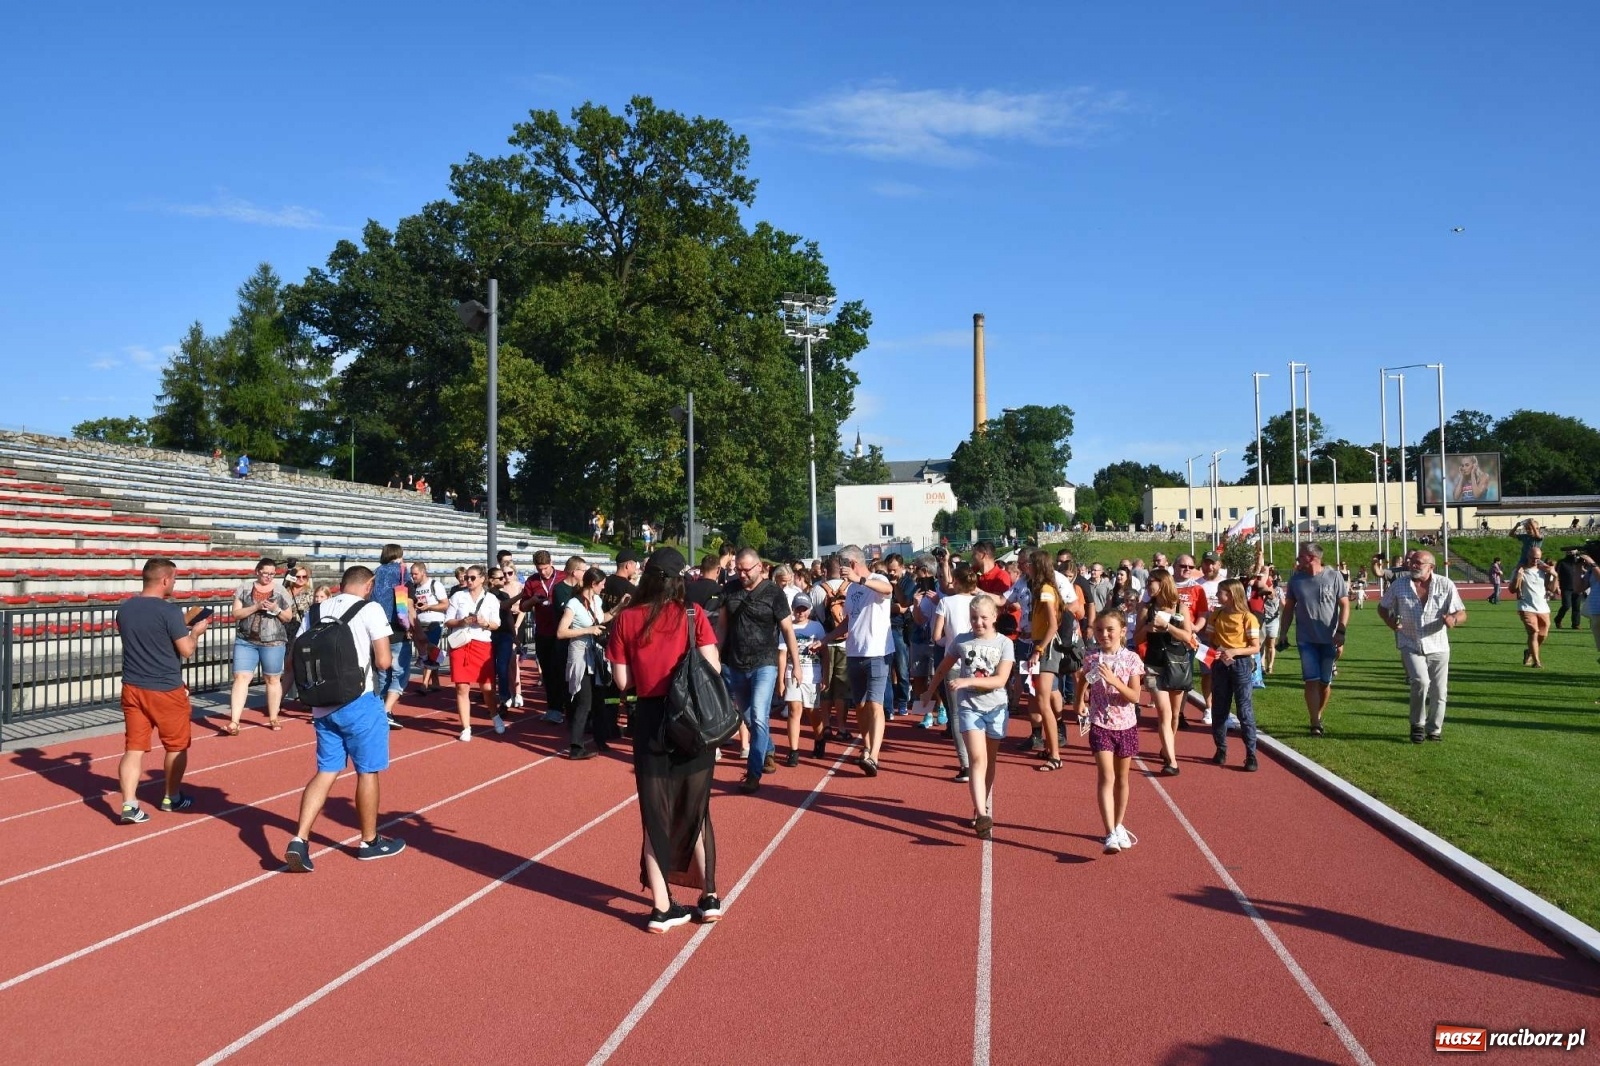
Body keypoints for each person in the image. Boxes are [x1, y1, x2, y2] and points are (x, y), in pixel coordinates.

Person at [605, 547, 722, 933]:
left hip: (650, 719)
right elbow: (713, 667)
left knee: (654, 814)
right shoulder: (693, 614)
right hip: (691, 719)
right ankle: (709, 896)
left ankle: (661, 907)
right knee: (697, 808)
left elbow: (623, 682)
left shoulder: (626, 619)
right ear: (679, 580)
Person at [284, 565, 406, 871]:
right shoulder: (370, 609)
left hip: (322, 705)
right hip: (359, 701)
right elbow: (383, 661)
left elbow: (293, 658)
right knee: (367, 771)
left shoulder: (316, 611)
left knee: (326, 771)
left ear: (341, 584)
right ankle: (369, 842)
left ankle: (299, 839)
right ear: (369, 585)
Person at [114, 559, 213, 823]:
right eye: (175, 579)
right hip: (165, 687)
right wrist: (196, 632)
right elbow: (186, 650)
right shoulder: (169, 611)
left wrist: (180, 624)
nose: (175, 584)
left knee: (134, 748)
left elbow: (149, 636)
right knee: (176, 745)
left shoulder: (124, 609)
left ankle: (129, 804)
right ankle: (172, 796)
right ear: (165, 580)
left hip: (133, 685)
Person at [925, 594, 1015, 839]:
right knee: (977, 759)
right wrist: (929, 691)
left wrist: (967, 681)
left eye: (983, 617)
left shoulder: (1004, 644)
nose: (978, 622)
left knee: (990, 761)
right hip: (969, 707)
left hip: (995, 708)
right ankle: (983, 815)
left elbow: (1000, 680)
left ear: (994, 617)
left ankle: (979, 805)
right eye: (974, 618)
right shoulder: (961, 641)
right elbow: (943, 667)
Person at [722, 548, 803, 793]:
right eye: (738, 569)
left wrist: (796, 664)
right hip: (736, 664)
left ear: (759, 567)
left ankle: (753, 773)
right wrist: (714, 656)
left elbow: (788, 630)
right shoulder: (730, 590)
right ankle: (768, 749)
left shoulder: (774, 593)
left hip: (765, 663)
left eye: (746, 569)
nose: (742, 574)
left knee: (759, 716)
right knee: (747, 718)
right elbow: (722, 627)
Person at [1074, 610, 1145, 854]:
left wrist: (1114, 681)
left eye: (1110, 630)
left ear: (1123, 631)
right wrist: (1079, 700)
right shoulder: (1092, 657)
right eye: (1099, 630)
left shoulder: (1132, 659)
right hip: (1100, 724)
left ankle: (1118, 823)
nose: (1104, 634)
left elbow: (1135, 696)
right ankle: (1110, 832)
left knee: (1122, 779)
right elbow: (1083, 679)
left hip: (1126, 725)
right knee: (1106, 776)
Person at [1378, 549, 1466, 742]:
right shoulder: (1400, 585)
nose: (1413, 565)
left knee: (1439, 691)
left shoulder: (1445, 584)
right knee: (1421, 681)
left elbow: (1461, 612)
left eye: (1418, 562)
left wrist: (1453, 619)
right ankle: (1417, 724)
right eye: (1412, 562)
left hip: (1438, 645)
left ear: (1431, 567)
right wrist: (1390, 622)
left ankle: (1434, 729)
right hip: (1410, 642)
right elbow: (1382, 607)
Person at [827, 545, 894, 776]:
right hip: (855, 652)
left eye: (843, 565)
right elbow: (849, 621)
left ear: (853, 563)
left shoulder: (877, 579)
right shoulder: (852, 588)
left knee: (875, 704)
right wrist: (826, 639)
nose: (841, 570)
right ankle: (866, 748)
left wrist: (861, 579)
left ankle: (874, 755)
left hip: (877, 652)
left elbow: (887, 589)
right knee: (861, 706)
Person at [1278, 543, 1350, 736]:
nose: (1297, 559)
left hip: (1329, 638)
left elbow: (1344, 605)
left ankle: (1317, 714)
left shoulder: (1334, 576)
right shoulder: (1296, 580)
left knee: (1325, 682)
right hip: (1305, 639)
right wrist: (1283, 632)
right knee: (1311, 680)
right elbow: (1288, 609)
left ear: (1311, 557)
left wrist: (1341, 630)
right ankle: (1315, 722)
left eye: (1301, 556)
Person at [1134, 568, 1197, 776]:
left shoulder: (1180, 607)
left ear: (1162, 583)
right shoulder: (1146, 608)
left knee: (1175, 715)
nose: (1147, 586)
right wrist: (1147, 629)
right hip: (1154, 665)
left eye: (1150, 582)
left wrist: (1167, 626)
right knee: (1164, 712)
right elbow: (1136, 639)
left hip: (1177, 664)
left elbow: (1187, 636)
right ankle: (1172, 761)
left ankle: (1167, 748)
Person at [557, 567, 622, 758]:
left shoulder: (597, 600)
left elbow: (602, 619)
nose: (604, 587)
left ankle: (600, 740)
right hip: (580, 656)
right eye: (602, 584)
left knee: (599, 701)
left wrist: (620, 607)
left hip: (596, 656)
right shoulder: (573, 604)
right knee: (584, 702)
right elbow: (561, 632)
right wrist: (588, 630)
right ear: (593, 584)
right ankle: (576, 747)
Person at [226, 558, 295, 735]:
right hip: (246, 640)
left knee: (272, 679)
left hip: (273, 641)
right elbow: (236, 614)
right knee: (241, 677)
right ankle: (234, 721)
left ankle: (273, 716)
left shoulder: (280, 590)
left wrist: (276, 609)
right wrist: (256, 607)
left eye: (272, 574)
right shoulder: (244, 588)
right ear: (257, 572)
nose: (268, 577)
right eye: (265, 573)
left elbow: (288, 617)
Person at [1206, 578, 1262, 772]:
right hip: (1220, 664)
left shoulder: (1248, 618)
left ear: (1231, 595)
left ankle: (1251, 754)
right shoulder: (1216, 615)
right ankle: (1221, 749)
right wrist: (1216, 651)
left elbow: (1255, 647)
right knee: (1219, 708)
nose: (1217, 595)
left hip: (1241, 665)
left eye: (1220, 592)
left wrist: (1234, 651)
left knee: (1244, 710)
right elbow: (1211, 639)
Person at [932, 563, 979, 781]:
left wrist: (949, 643)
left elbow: (936, 636)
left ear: (956, 582)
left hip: (953, 662)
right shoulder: (979, 602)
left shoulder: (946, 602)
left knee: (957, 714)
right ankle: (980, 758)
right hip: (978, 661)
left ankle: (966, 765)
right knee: (978, 710)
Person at [445, 565, 500, 740]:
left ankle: (494, 715)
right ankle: (466, 727)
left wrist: (485, 623)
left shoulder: (491, 599)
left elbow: (496, 624)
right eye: (466, 577)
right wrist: (462, 621)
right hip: (461, 644)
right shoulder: (458, 596)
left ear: (482, 579)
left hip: (482, 644)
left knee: (487, 687)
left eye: (472, 578)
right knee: (461, 687)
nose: (468, 580)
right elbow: (448, 620)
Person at [776, 594, 827, 765]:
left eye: (804, 609)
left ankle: (819, 738)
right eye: (798, 609)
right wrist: (781, 680)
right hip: (792, 673)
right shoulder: (787, 627)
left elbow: (825, 653)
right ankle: (793, 751)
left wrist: (826, 675)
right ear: (793, 609)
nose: (801, 612)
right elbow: (782, 655)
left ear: (809, 610)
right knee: (794, 710)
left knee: (812, 711)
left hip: (812, 674)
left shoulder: (816, 627)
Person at [370, 543, 412, 730]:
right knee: (400, 672)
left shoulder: (376, 572)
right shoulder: (402, 571)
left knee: (382, 670)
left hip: (377, 626)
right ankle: (386, 710)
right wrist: (411, 626)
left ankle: (379, 708)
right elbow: (408, 601)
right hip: (397, 626)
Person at [520, 551, 566, 719]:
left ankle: (564, 705)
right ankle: (553, 707)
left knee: (561, 670)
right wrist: (532, 601)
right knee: (547, 671)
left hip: (562, 632)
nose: (543, 572)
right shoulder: (532, 581)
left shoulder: (563, 576)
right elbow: (522, 607)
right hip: (543, 632)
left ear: (551, 563)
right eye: (539, 569)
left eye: (545, 568)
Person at [486, 567, 524, 732]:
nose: (504, 580)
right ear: (491, 580)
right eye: (500, 578)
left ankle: (503, 700)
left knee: (502, 667)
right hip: (488, 635)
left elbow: (507, 615)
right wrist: (521, 595)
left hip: (504, 635)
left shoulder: (504, 594)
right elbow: (502, 606)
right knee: (490, 669)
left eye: (504, 577)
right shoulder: (486, 596)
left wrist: (514, 635)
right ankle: (492, 700)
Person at [1511, 547, 1556, 668]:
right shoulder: (1520, 570)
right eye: (1533, 558)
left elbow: (1552, 589)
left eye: (1538, 558)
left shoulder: (1544, 571)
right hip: (1526, 607)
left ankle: (1529, 651)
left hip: (1543, 608)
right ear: (1527, 556)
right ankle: (1537, 662)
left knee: (1543, 635)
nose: (1535, 561)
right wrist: (1518, 576)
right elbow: (1512, 590)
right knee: (1534, 632)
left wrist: (1555, 575)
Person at [411, 562, 449, 693]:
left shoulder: (435, 585)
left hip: (434, 622)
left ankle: (424, 684)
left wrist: (429, 607)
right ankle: (436, 681)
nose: (413, 576)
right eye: (412, 574)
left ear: (423, 572)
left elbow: (445, 604)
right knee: (430, 652)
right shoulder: (414, 587)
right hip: (419, 622)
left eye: (415, 574)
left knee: (428, 651)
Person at [1554, 546, 1587, 630]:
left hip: (1577, 587)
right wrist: (1557, 586)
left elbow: (1585, 570)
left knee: (1576, 607)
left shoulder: (1579, 562)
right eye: (1569, 550)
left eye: (1573, 550)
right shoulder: (1562, 562)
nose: (1571, 552)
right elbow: (1556, 575)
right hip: (1565, 587)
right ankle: (1558, 619)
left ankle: (1575, 624)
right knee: (1566, 605)